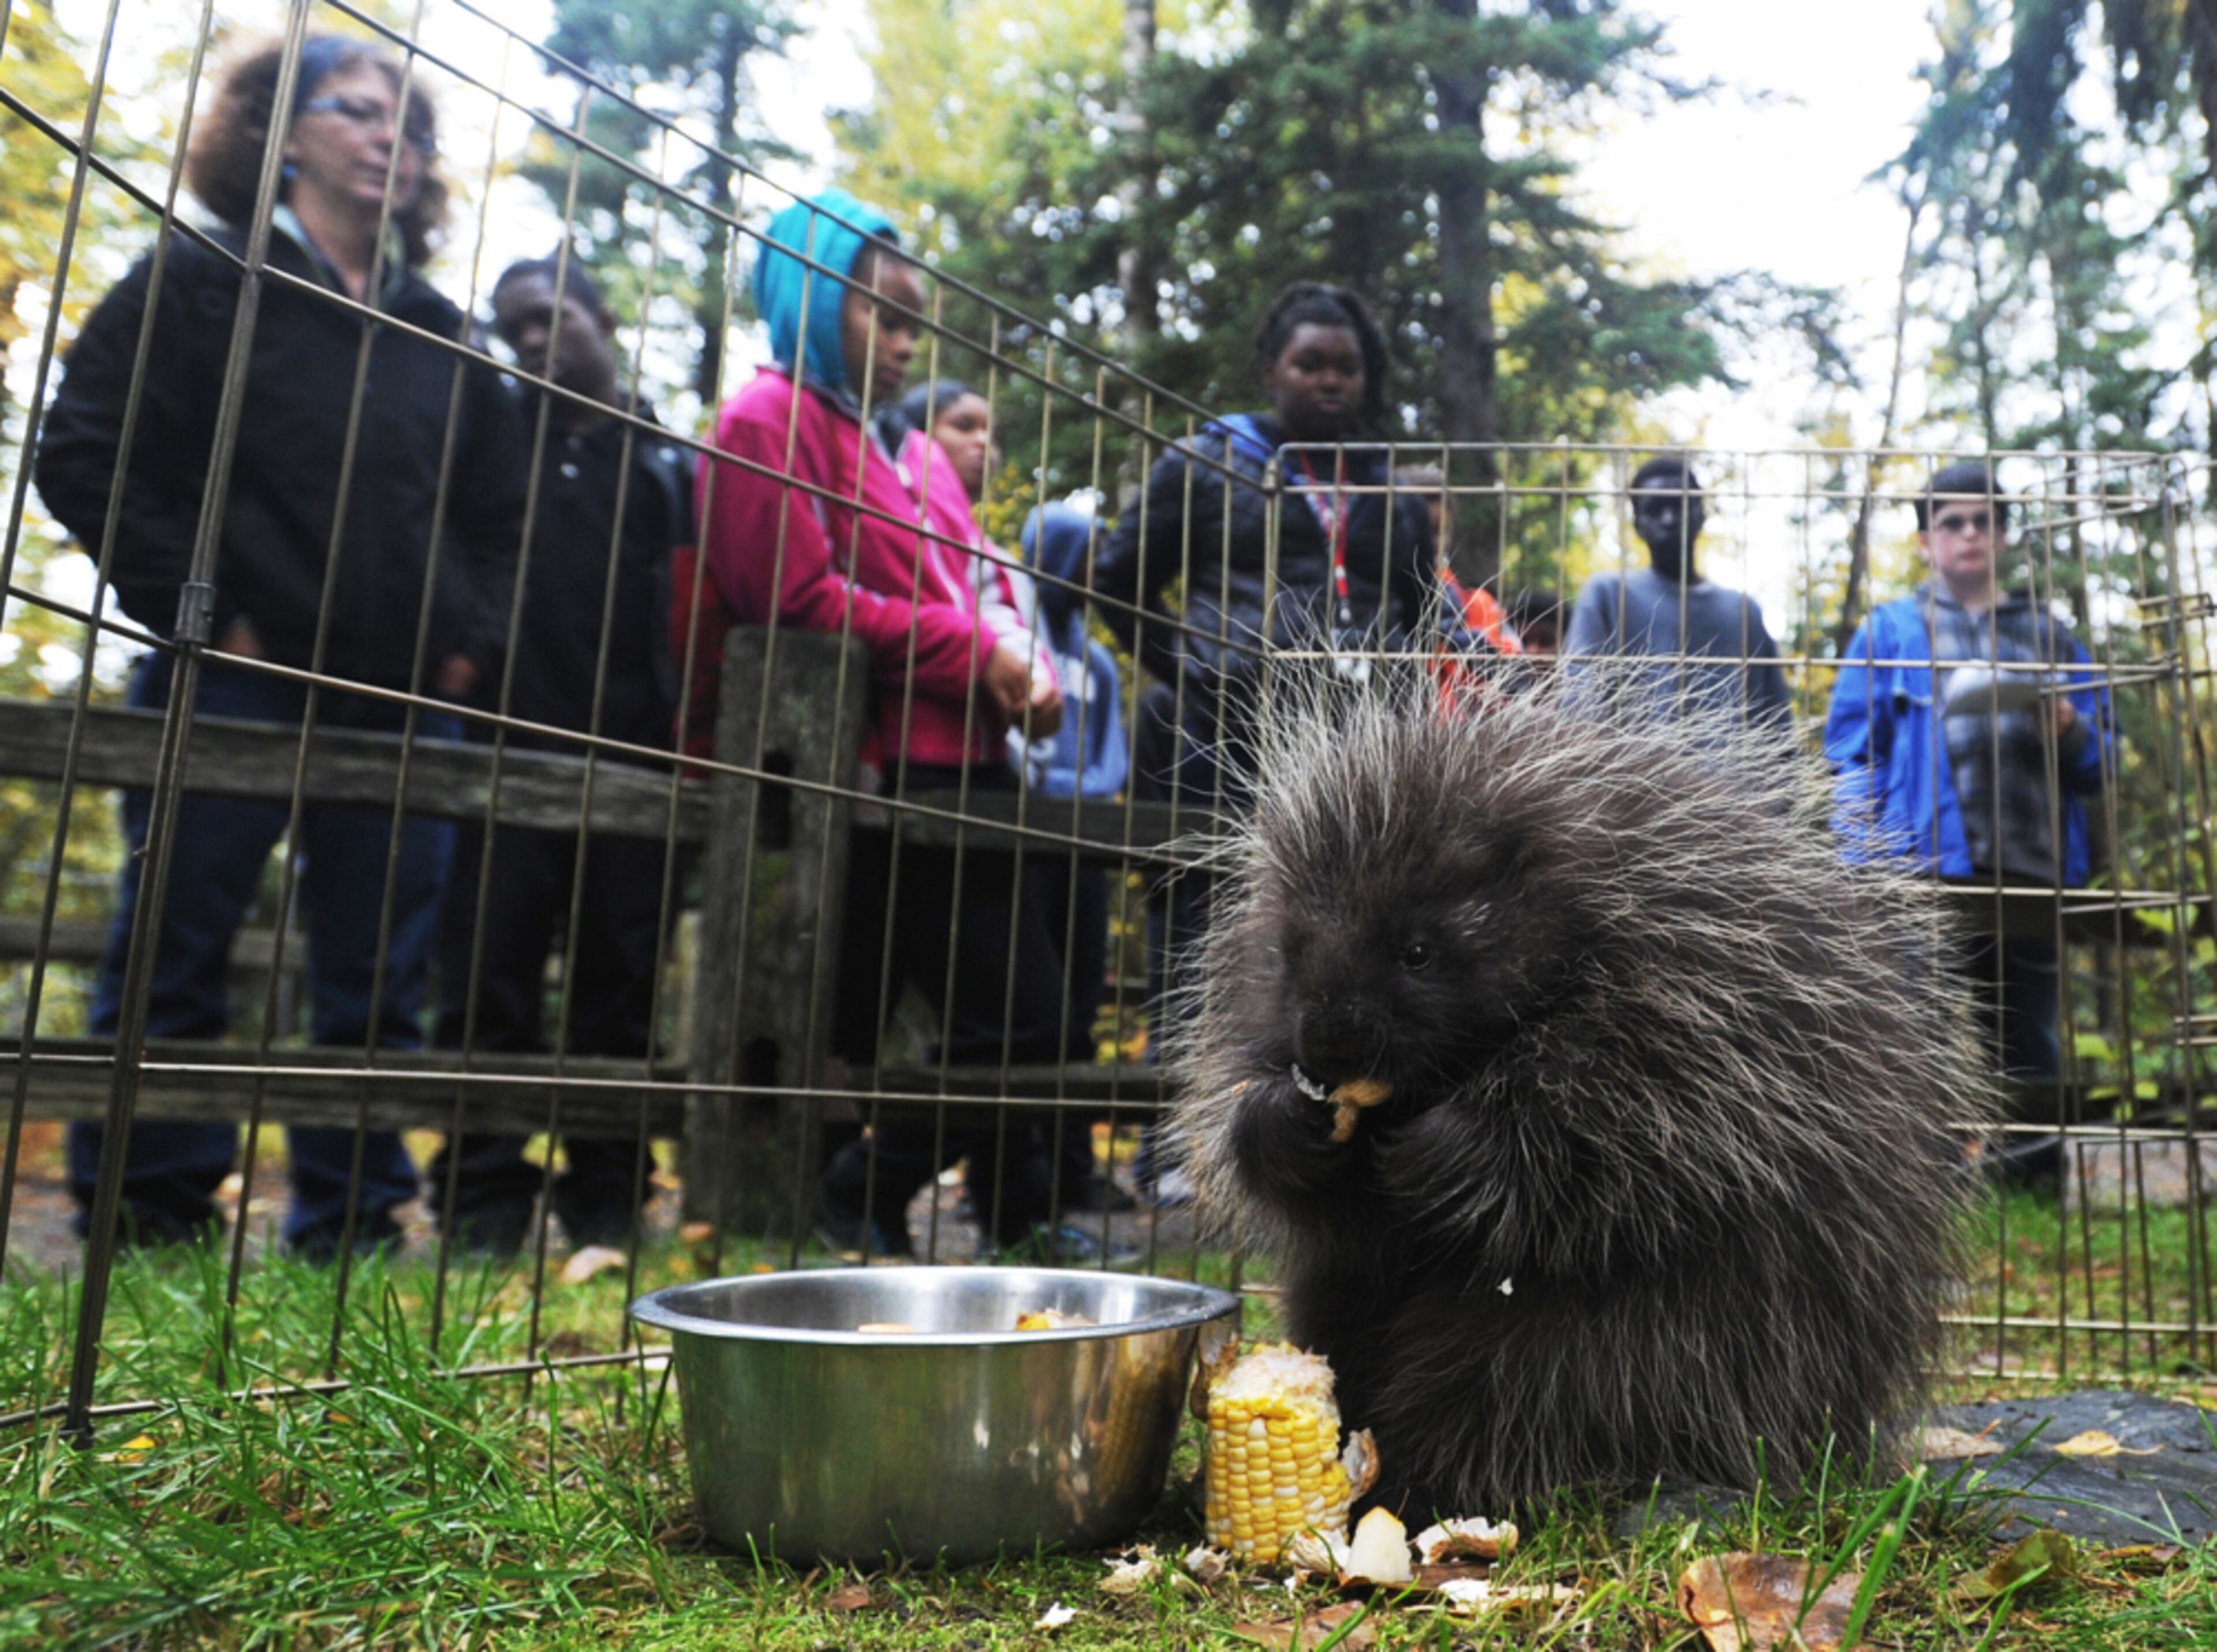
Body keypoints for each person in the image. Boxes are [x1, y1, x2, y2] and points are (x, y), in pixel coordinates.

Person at [34, 34, 521, 1255]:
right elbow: (86, 454)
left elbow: (507, 525)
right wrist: (212, 615)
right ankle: (149, 1217)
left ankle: (350, 1222)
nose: (387, 141)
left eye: (408, 127)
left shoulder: (448, 334)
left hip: (406, 706)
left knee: (376, 981)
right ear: (277, 130)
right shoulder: (197, 285)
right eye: (355, 111)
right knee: (172, 949)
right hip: (231, 680)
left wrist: (462, 646)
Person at [689, 188, 1092, 1260]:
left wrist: (1006, 656)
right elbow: (798, 601)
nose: (909, 341)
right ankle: (855, 1189)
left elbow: (944, 591)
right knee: (1009, 1018)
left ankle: (864, 1195)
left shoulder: (867, 439)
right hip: (888, 771)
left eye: (916, 320)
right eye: (885, 313)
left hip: (957, 758)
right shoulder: (763, 421)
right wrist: (978, 653)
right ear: (814, 302)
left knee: (988, 1016)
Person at [1091, 281, 1436, 1196]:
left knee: (1331, 938)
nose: (1331, 383)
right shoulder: (1205, 463)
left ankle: (1321, 1135)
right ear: (1272, 370)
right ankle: (1175, 1150)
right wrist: (1188, 668)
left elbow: (1416, 609)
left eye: (1347, 368)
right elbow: (1119, 578)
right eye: (1310, 364)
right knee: (1197, 927)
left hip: (1341, 752)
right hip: (1217, 740)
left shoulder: (1384, 487)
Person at [427, 255, 690, 1256]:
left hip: (637, 763)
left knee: (619, 987)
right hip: (499, 757)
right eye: (512, 327)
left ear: (601, 317)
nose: (531, 340)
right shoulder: (493, 453)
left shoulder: (668, 466)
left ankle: (610, 1197)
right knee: (487, 979)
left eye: (549, 317)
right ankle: (482, 1196)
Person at [1823, 460, 2109, 1182]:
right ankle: (1924, 1181)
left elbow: (2101, 763)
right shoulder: (1889, 630)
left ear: (2004, 535)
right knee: (1916, 1028)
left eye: (1984, 519)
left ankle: (2033, 1175)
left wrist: (2069, 727)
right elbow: (1853, 754)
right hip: (1920, 869)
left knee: (2027, 1031)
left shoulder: (2047, 632)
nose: (1970, 533)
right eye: (1952, 521)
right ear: (1926, 540)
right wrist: (1864, 863)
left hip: (2031, 863)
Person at [1018, 503, 1133, 1212]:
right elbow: (1022, 757)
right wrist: (1064, 789)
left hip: (1085, 850)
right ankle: (1010, 1172)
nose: (1095, 573)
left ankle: (1071, 1169)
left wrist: (1076, 791)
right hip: (1023, 845)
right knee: (1027, 1007)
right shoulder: (1017, 645)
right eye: (1086, 556)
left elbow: (1111, 762)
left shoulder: (1095, 661)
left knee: (1082, 1006)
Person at [1563, 455, 1793, 733]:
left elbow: (1777, 725)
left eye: (1680, 506)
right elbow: (1581, 706)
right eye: (1655, 509)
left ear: (1701, 514)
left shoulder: (1744, 613)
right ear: (1637, 524)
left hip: (1731, 777)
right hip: (1637, 776)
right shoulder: (1607, 595)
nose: (1670, 520)